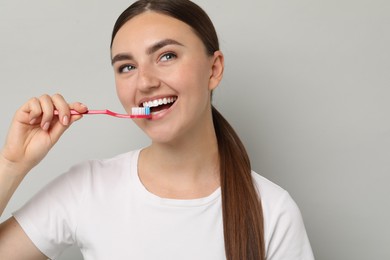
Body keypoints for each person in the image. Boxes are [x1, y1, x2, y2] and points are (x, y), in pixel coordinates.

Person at [0, 0, 315, 259]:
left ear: (214, 69)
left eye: (167, 56)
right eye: (127, 67)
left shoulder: (273, 211)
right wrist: (12, 165)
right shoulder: (87, 188)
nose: (145, 82)